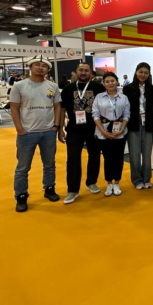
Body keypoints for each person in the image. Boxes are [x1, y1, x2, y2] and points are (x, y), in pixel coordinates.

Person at [9, 58, 61, 212]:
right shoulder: (19, 86)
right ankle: (21, 195)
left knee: (49, 164)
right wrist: (20, 129)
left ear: (48, 70)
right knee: (23, 167)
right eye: (37, 65)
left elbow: (57, 107)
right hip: (27, 132)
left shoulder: (53, 86)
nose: (40, 67)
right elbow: (14, 108)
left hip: (48, 132)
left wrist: (56, 126)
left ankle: (49, 188)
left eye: (44, 66)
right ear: (30, 67)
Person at [59, 62, 105, 204]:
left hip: (94, 129)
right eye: (81, 70)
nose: (83, 73)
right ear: (76, 72)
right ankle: (72, 190)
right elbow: (62, 109)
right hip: (74, 129)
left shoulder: (98, 88)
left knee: (95, 156)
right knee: (73, 159)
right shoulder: (68, 88)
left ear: (90, 73)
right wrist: (60, 128)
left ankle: (91, 182)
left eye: (86, 70)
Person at [92, 72, 131, 197]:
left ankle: (117, 182)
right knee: (107, 158)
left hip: (120, 131)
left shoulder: (123, 98)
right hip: (103, 132)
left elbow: (126, 114)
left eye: (112, 81)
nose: (110, 83)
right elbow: (95, 115)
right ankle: (109, 182)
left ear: (117, 82)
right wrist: (103, 132)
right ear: (103, 83)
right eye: (107, 81)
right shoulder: (99, 97)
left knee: (119, 158)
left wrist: (122, 129)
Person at [123, 63, 153, 189]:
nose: (143, 75)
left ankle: (147, 178)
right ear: (136, 72)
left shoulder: (152, 89)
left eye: (146, 73)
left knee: (147, 154)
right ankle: (137, 180)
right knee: (134, 154)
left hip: (148, 122)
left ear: (149, 74)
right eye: (140, 72)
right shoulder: (128, 88)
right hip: (133, 122)